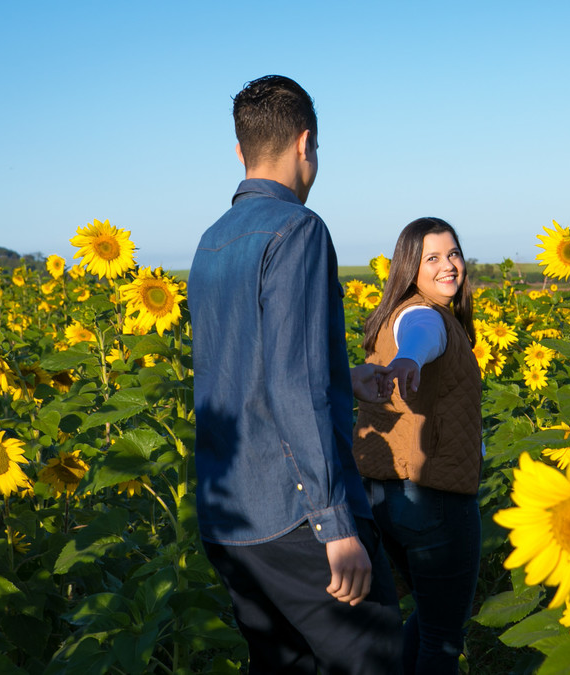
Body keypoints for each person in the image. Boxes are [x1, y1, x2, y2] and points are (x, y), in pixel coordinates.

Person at [189, 75, 402, 674]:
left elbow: (239, 365)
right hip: (295, 514)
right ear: (306, 144)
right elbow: (292, 385)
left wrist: (344, 375)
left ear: (240, 150)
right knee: (374, 661)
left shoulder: (212, 242)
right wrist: (335, 526)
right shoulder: (299, 230)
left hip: (228, 517)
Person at [352, 218, 483, 675]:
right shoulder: (422, 315)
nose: (449, 266)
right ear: (411, 268)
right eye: (432, 258)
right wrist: (409, 356)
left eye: (453, 254)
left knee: (429, 621)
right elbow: (421, 336)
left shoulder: (393, 314)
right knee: (444, 640)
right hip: (433, 498)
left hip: (388, 495)